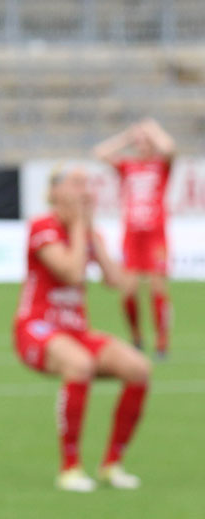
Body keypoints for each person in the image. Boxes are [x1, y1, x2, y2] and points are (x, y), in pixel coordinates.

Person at [13, 165, 151, 492]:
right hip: (37, 327)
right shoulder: (43, 227)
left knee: (138, 369)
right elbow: (72, 273)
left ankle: (112, 464)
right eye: (76, 183)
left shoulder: (85, 231)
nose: (85, 190)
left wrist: (90, 232)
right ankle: (70, 468)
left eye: (87, 184)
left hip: (75, 331)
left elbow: (116, 281)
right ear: (55, 192)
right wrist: (78, 227)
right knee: (80, 364)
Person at [93, 118, 176, 358]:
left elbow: (170, 149)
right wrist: (127, 137)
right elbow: (100, 153)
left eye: (145, 141)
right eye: (138, 142)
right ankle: (137, 337)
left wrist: (153, 129)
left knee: (157, 289)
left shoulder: (161, 166)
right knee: (128, 291)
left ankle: (162, 341)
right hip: (132, 236)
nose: (142, 145)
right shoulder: (127, 166)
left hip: (155, 236)